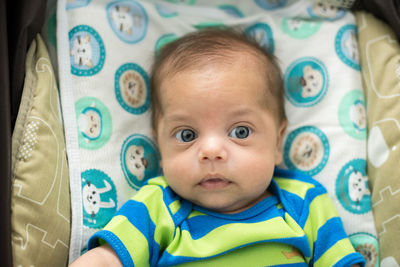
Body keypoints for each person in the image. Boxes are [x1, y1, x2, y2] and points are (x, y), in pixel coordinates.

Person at [70, 28, 365, 267]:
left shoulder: (304, 200)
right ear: (159, 146)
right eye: (187, 135)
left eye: (240, 131)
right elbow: (107, 260)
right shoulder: (156, 205)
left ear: (277, 142)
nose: (211, 150)